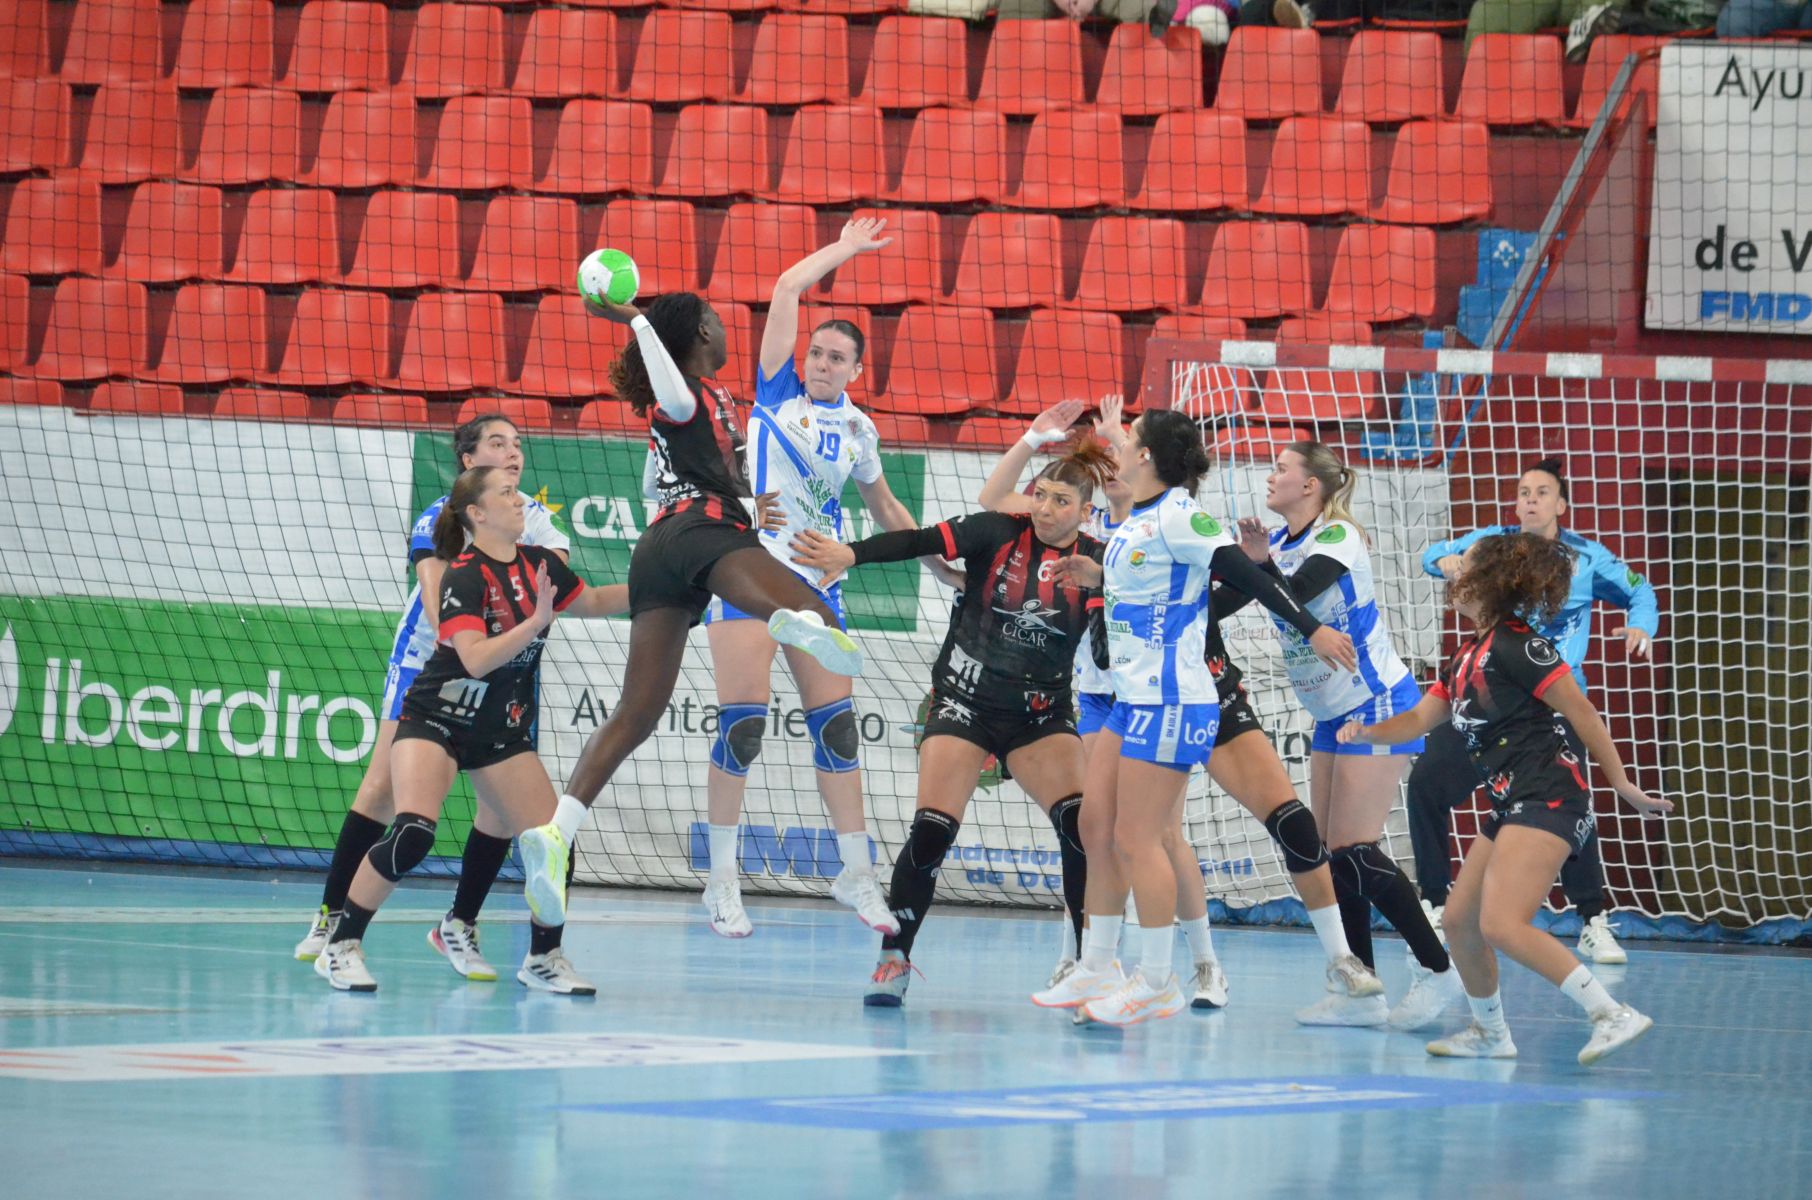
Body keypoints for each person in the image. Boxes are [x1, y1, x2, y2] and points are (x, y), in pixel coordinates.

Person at [995, 401, 1380, 1014]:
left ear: (1146, 455)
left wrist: (1307, 627)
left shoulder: (1181, 517)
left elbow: (1244, 576)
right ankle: (1096, 967)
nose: (1118, 448)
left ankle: (1157, 980)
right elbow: (1153, 589)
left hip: (1175, 698)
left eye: (1130, 441)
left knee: (1139, 837)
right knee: (1095, 826)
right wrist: (1098, 577)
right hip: (1131, 697)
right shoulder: (1137, 520)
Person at [527, 291, 871, 891]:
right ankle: (788, 619)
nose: (721, 325)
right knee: (812, 604)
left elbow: (719, 470)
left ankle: (558, 829)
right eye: (712, 320)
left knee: (638, 711)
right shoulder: (689, 391)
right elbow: (674, 394)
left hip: (660, 550)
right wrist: (637, 321)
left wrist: (748, 497)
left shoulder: (725, 404)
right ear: (696, 336)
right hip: (700, 531)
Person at [790, 442, 1117, 1007]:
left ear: (1086, 511)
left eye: (1061, 501)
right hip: (963, 703)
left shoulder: (1097, 560)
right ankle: (895, 956)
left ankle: (1090, 970)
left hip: (1040, 716)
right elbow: (917, 540)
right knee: (932, 830)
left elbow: (1111, 653)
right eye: (1040, 494)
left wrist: (1103, 590)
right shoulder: (996, 530)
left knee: (1081, 828)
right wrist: (851, 554)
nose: (1044, 508)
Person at [1341, 533, 1671, 1064]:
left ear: (1489, 584)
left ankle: (1611, 1013)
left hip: (1549, 794)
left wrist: (1623, 784)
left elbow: (1583, 714)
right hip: (1512, 801)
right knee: (1459, 922)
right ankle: (1491, 1033)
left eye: (1464, 566)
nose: (1453, 573)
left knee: (1502, 922)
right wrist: (1367, 733)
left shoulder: (1522, 645)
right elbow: (1421, 720)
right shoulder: (1468, 653)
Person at [314, 466, 630, 993]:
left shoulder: (539, 565)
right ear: (478, 515)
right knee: (413, 832)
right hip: (435, 718)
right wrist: (535, 623)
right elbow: (475, 659)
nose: (519, 500)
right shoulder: (463, 574)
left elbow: (594, 602)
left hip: (497, 731)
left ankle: (543, 958)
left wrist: (661, 593)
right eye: (507, 494)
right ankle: (341, 945)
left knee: (552, 845)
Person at [696, 218, 919, 939]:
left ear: (856, 368)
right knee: (745, 726)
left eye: (836, 357)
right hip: (750, 574)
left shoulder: (860, 431)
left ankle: (854, 873)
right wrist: (848, 251)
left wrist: (937, 558)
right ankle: (722, 880)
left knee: (840, 730)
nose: (821, 363)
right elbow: (787, 285)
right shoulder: (774, 396)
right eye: (817, 352)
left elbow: (884, 507)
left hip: (819, 585)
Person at [295, 414, 570, 980]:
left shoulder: (538, 524)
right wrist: (479, 639)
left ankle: (459, 924)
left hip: (501, 666)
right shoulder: (440, 517)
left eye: (518, 445)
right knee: (382, 792)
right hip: (433, 660)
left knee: (502, 808)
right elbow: (437, 598)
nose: (513, 453)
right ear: (469, 461)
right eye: (498, 444)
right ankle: (332, 918)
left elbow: (558, 591)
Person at [1218, 441, 1463, 1031]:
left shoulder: (1338, 538)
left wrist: (1256, 566)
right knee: (1333, 855)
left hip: (1376, 701)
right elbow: (1226, 599)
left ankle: (1439, 970)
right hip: (1332, 712)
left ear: (1311, 487)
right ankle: (1364, 989)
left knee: (1355, 847)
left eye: (1282, 468)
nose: (1270, 477)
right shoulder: (1275, 545)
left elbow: (1294, 593)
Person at [1412, 457, 1660, 965]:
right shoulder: (1495, 544)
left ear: (1561, 505)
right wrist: (1449, 563)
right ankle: (1435, 904)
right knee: (1425, 784)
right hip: (1488, 703)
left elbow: (1640, 590)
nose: (1530, 499)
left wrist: (1642, 625)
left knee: (1575, 814)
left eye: (1542, 492)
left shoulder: (1587, 559)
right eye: (1523, 491)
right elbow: (1436, 554)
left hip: (1551, 712)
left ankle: (1592, 921)